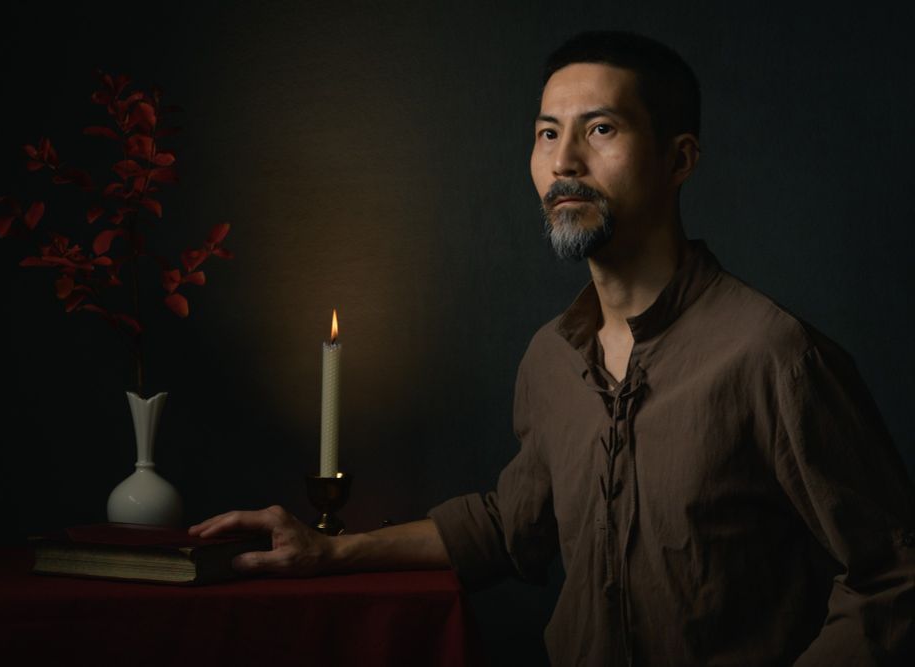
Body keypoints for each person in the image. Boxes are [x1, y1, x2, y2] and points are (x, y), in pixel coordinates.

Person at [190, 31, 914, 666]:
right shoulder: (550, 358)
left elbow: (895, 576)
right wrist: (328, 552)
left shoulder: (774, 354)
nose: (564, 160)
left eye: (600, 130)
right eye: (546, 133)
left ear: (679, 158)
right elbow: (514, 524)